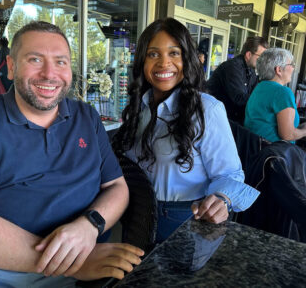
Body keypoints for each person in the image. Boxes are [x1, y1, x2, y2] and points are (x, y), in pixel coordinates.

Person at [0, 21, 143, 287]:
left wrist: (91, 224)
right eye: (35, 59)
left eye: (61, 62)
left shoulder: (86, 117)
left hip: (83, 266)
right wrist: (72, 263)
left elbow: (116, 186)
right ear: (11, 66)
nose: (49, 74)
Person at [112, 18, 260, 244]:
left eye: (174, 53)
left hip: (181, 221)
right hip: (135, 217)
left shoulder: (206, 109)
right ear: (142, 60)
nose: (164, 63)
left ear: (187, 59)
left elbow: (229, 174)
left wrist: (221, 199)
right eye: (153, 54)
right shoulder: (137, 107)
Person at [244, 48, 306, 143]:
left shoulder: (260, 86)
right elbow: (287, 135)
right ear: (279, 70)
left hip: (255, 149)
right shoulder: (282, 92)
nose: (293, 68)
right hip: (274, 153)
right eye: (291, 65)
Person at [206, 36, 269, 124]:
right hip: (214, 118)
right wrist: (266, 101)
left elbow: (254, 93)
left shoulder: (251, 69)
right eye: (261, 57)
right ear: (249, 55)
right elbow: (239, 99)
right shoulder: (232, 67)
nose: (263, 61)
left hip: (228, 117)